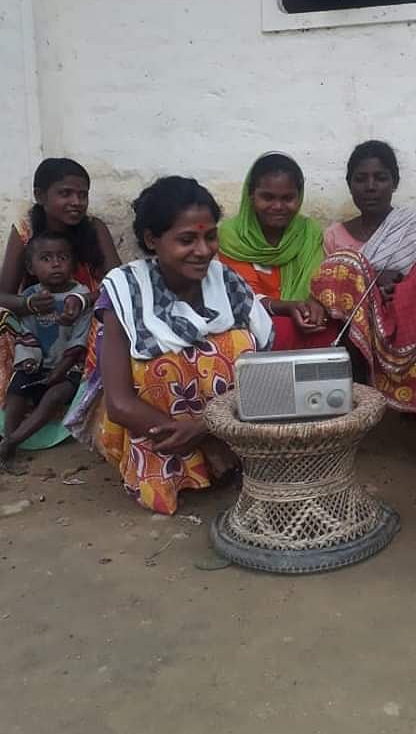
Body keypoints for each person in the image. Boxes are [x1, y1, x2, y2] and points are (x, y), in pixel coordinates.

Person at [67, 177, 273, 515]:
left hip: (226, 426)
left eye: (210, 236)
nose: (204, 250)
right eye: (187, 239)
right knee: (160, 366)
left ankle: (231, 454)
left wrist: (208, 425)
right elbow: (119, 404)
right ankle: (182, 469)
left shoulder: (226, 282)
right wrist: (203, 438)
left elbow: (265, 375)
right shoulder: (125, 290)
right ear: (152, 240)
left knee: (236, 344)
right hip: (157, 430)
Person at [313, 140, 416, 412]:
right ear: (350, 184)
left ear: (394, 183)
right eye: (361, 179)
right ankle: (355, 398)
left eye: (380, 178)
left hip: (407, 320)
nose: (370, 186)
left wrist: (402, 285)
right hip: (355, 328)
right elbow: (331, 289)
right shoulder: (334, 235)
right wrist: (367, 281)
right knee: (344, 265)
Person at [0, 158, 120, 447]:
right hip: (37, 322)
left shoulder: (95, 228)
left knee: (111, 324)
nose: (76, 202)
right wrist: (28, 305)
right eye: (65, 193)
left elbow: (119, 283)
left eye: (82, 194)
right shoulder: (26, 231)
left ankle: (79, 402)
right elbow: (3, 294)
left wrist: (82, 299)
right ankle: (11, 421)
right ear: (41, 195)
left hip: (86, 315)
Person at [218, 153, 333, 349]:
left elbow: (317, 284)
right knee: (273, 330)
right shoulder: (232, 237)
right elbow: (242, 297)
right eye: (267, 197)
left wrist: (313, 308)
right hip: (251, 323)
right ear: (251, 195)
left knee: (330, 329)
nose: (278, 206)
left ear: (300, 197)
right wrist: (287, 307)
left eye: (288, 198)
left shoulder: (308, 232)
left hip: (303, 321)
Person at [0, 233, 92, 473]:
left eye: (63, 257)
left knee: (55, 395)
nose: (56, 263)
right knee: (16, 391)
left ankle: (13, 441)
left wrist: (61, 369)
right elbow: (24, 335)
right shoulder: (30, 297)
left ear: (73, 263)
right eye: (46, 258)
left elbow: (80, 340)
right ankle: (7, 440)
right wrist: (29, 364)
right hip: (35, 363)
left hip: (69, 366)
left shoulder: (80, 296)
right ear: (31, 266)